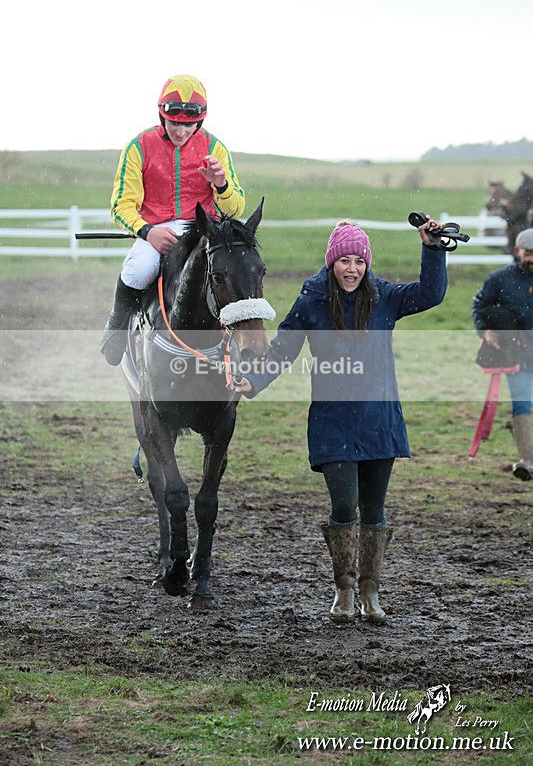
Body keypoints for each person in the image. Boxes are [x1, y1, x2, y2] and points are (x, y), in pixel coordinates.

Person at [231, 218, 448, 622]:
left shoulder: (385, 297)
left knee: (375, 511)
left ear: (367, 265)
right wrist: (253, 380)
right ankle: (344, 591)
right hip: (333, 423)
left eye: (359, 262)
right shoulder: (312, 302)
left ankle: (371, 594)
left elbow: (431, 294)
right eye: (344, 261)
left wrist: (432, 249)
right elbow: (282, 352)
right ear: (331, 263)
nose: (352, 269)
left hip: (379, 420)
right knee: (344, 507)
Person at [101, 74, 245, 365]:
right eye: (174, 123)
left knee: (237, 271)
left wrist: (221, 184)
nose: (180, 131)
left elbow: (237, 206)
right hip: (156, 231)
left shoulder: (215, 148)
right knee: (138, 270)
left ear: (199, 122)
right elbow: (121, 205)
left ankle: (243, 340)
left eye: (188, 125)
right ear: (162, 116)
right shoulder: (138, 146)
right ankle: (116, 329)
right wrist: (147, 231)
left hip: (205, 231)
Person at [472, 228, 533, 480]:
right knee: (522, 403)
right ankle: (527, 461)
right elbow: (480, 306)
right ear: (517, 251)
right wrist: (484, 332)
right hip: (517, 353)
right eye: (529, 253)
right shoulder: (500, 279)